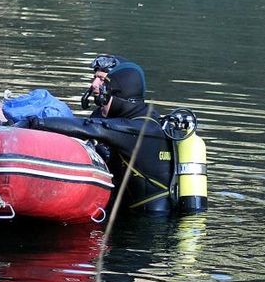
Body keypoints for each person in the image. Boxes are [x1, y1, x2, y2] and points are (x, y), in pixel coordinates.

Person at [23, 54, 187, 214]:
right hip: (123, 212)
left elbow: (93, 127)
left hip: (150, 222)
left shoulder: (142, 128)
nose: (94, 85)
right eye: (95, 78)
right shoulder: (115, 119)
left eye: (102, 80)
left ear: (121, 90)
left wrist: (35, 123)